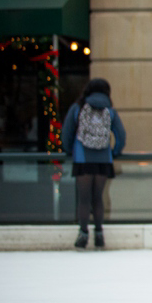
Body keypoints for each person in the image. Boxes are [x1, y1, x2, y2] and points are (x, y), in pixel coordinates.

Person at [61, 78, 127, 250]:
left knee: (84, 200)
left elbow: (67, 134)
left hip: (82, 159)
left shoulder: (77, 109)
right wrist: (114, 152)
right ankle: (99, 235)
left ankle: (83, 234)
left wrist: (70, 151)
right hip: (103, 161)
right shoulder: (110, 111)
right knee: (98, 198)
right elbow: (121, 135)